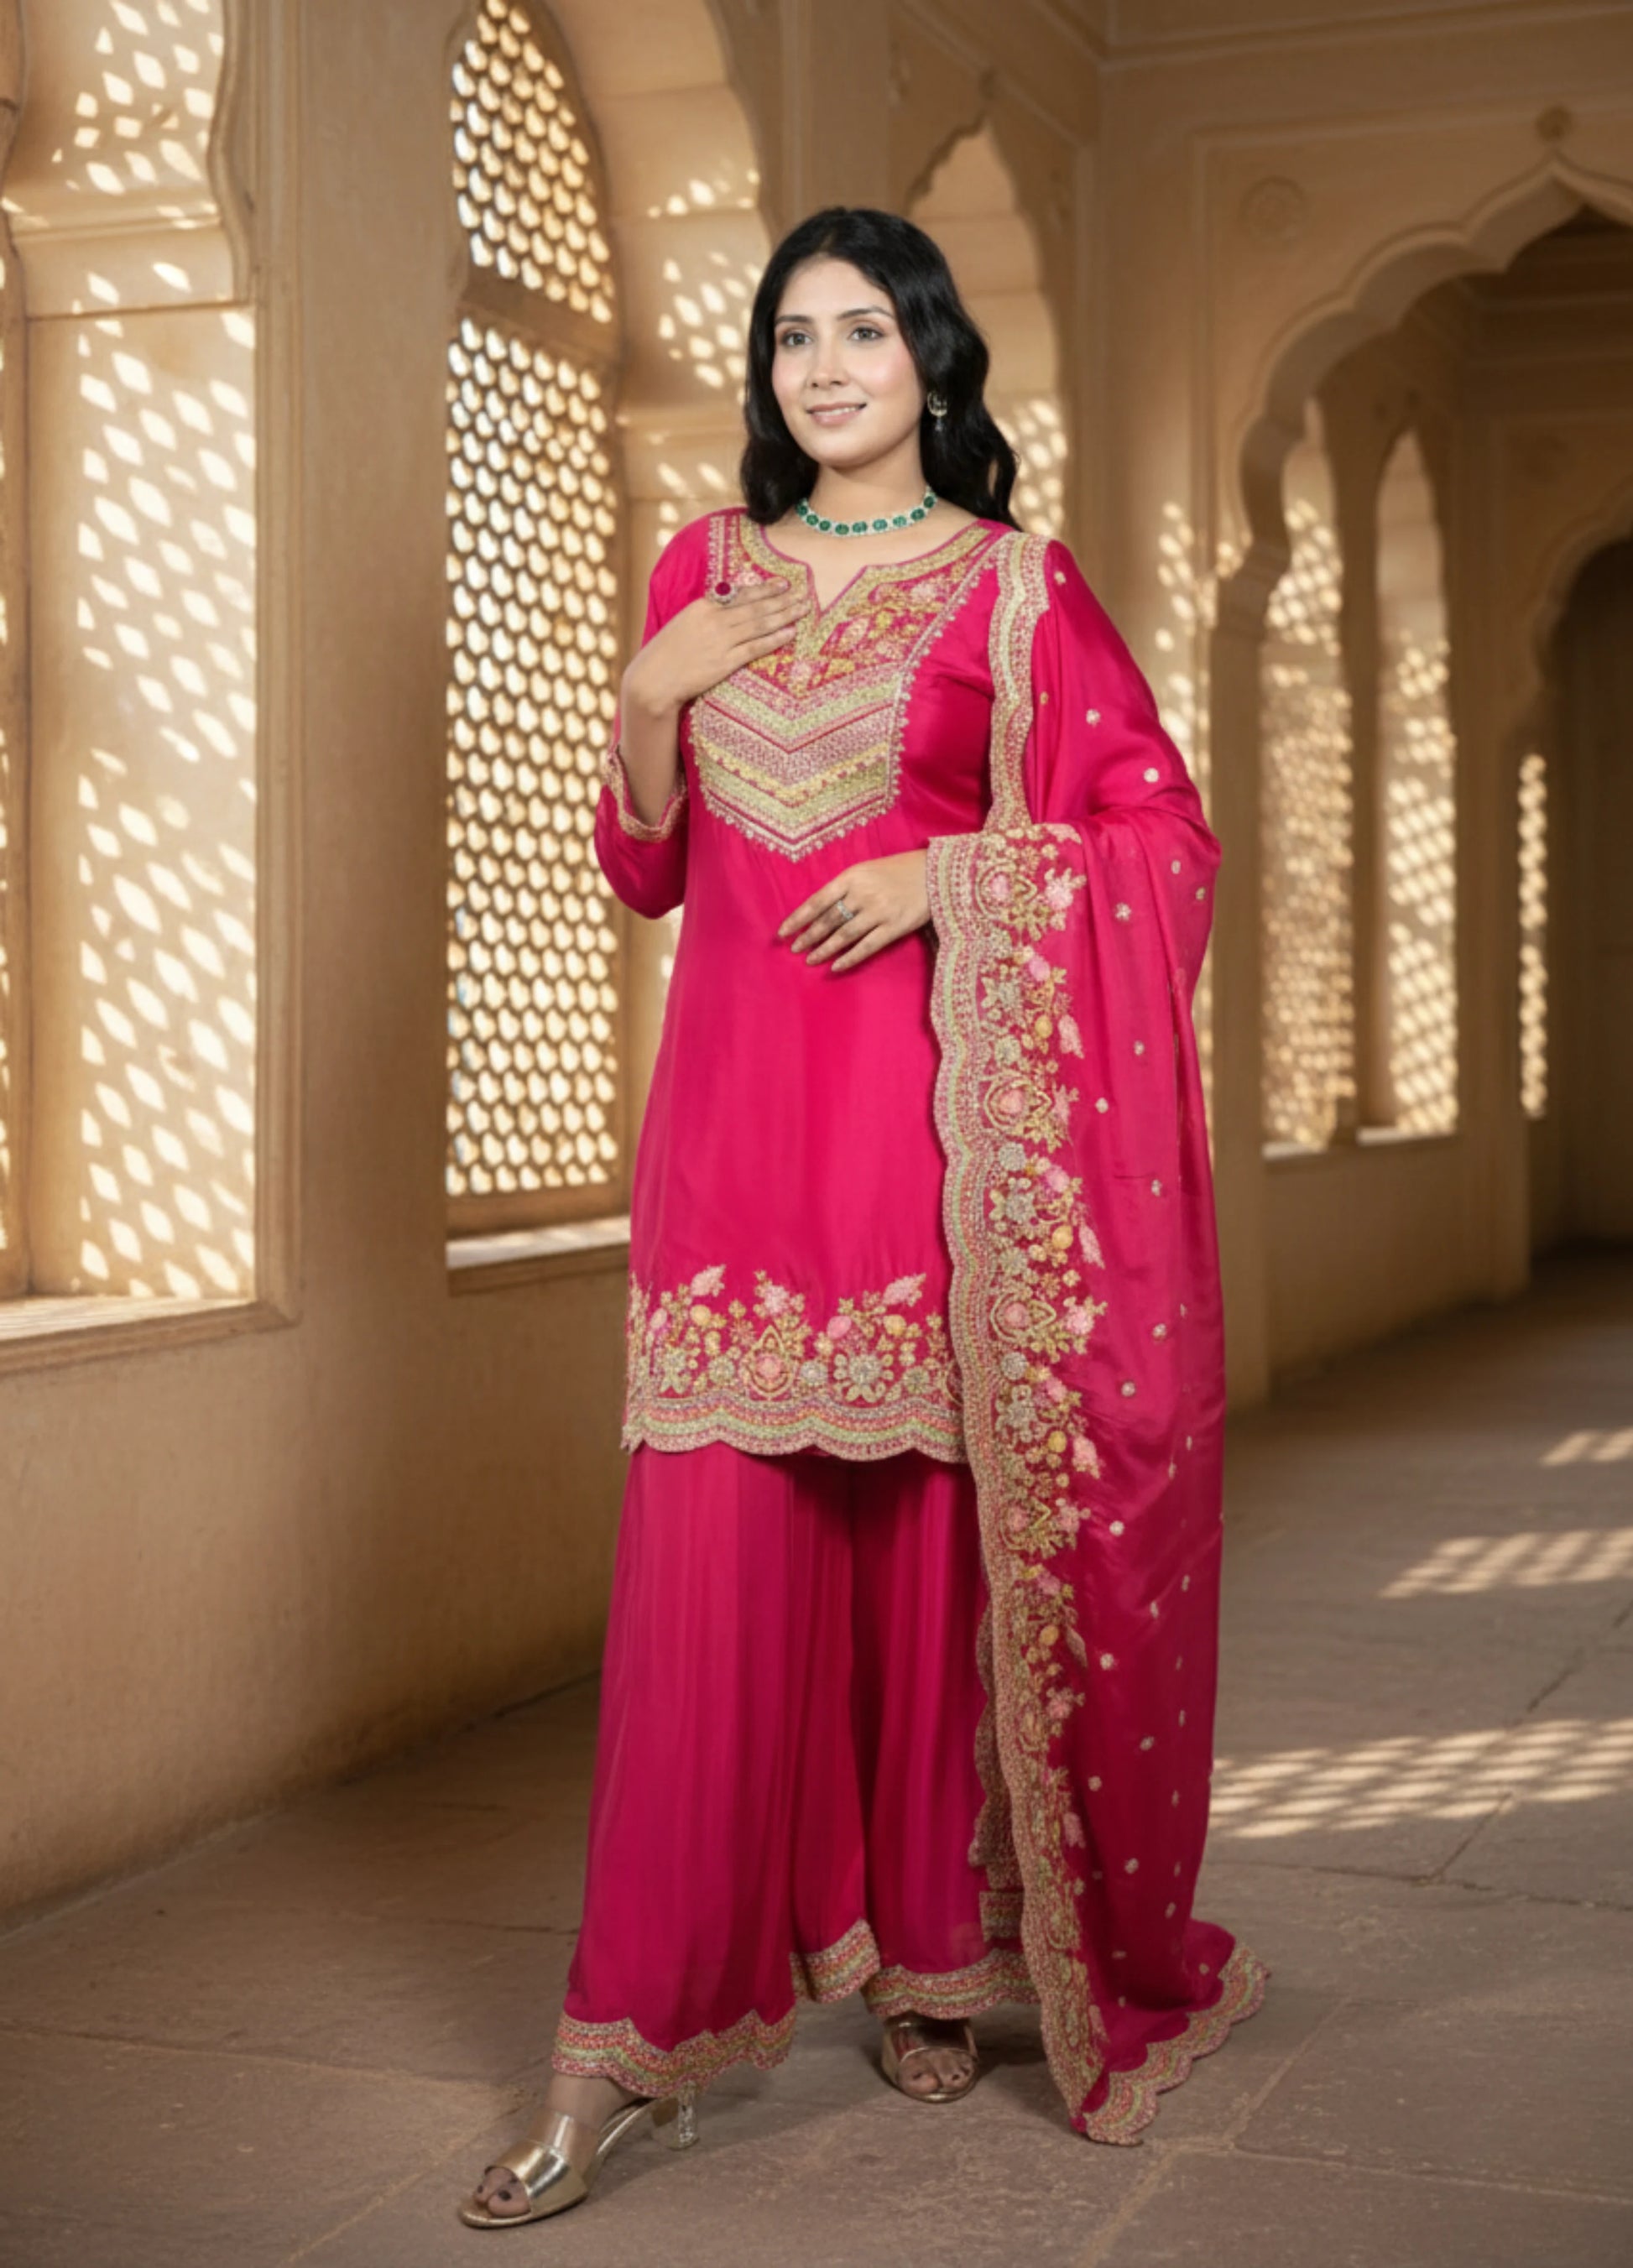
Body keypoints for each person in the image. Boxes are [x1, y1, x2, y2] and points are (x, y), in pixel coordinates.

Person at [459, 205, 1266, 2230]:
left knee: (923, 1565)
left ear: (931, 361)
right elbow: (647, 871)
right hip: (729, 1146)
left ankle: (929, 1960)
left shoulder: (1014, 588)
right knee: (702, 1589)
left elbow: (1161, 834)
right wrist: (646, 699)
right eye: (792, 338)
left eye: (862, 334)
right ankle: (615, 2041)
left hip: (921, 1145)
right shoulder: (699, 575)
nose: (823, 370)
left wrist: (951, 879)